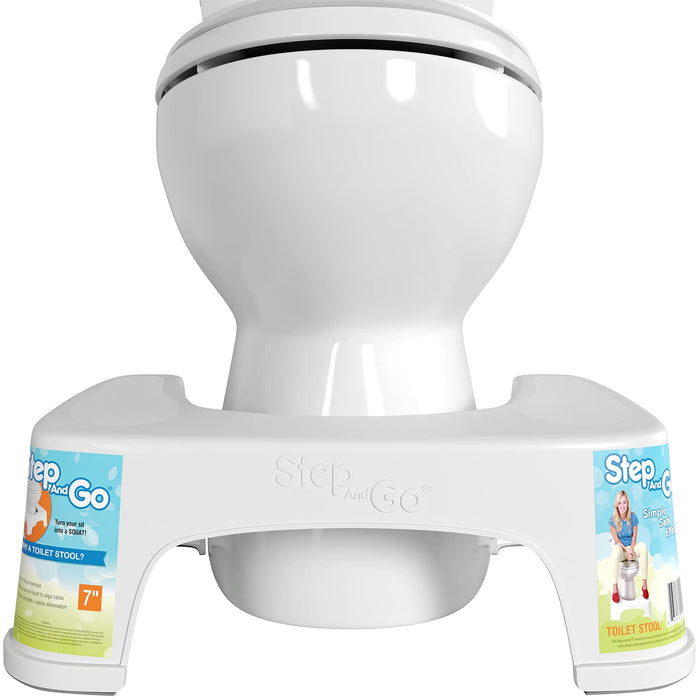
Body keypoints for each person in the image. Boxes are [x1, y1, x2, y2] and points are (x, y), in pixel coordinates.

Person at [609, 490, 648, 603]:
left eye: (624, 502)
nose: (622, 506)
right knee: (615, 551)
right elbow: (617, 540)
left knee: (643, 547)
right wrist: (626, 550)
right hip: (622, 550)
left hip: (631, 548)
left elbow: (634, 537)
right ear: (617, 505)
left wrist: (631, 550)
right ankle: (615, 589)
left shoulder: (633, 517)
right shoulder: (612, 521)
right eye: (620, 503)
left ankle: (644, 586)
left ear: (627, 503)